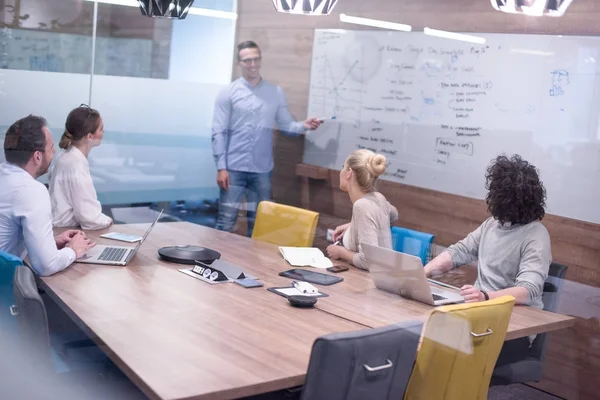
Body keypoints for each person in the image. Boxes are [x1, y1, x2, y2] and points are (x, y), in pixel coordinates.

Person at [423, 154, 551, 365]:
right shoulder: (492, 225)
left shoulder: (536, 235)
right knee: (425, 335)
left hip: (511, 330)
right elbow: (459, 252)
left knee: (438, 346)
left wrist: (485, 296)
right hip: (477, 314)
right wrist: (424, 272)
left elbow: (529, 290)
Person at [211, 40, 323, 236]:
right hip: (232, 169)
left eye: (256, 59)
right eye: (247, 61)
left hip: (262, 170)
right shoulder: (228, 93)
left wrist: (304, 125)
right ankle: (214, 264)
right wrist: (221, 167)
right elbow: (218, 131)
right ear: (239, 63)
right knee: (225, 222)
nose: (252, 64)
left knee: (260, 225)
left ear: (260, 60)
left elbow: (287, 126)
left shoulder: (275, 93)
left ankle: (253, 266)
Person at [0, 115, 94, 276]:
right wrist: (73, 250)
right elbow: (46, 266)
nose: (55, 151)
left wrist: (50, 242)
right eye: (51, 148)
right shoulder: (31, 190)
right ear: (37, 156)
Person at [325, 149, 398, 270]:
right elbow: (394, 215)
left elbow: (368, 261)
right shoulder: (379, 198)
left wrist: (340, 252)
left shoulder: (361, 206)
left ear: (349, 173)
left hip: (368, 282)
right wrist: (352, 225)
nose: (341, 171)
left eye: (343, 167)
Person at [49, 105, 112, 230]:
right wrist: (108, 220)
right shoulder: (75, 164)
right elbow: (89, 218)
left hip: (60, 227)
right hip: (67, 230)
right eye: (101, 129)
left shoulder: (65, 157)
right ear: (89, 136)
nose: (103, 132)